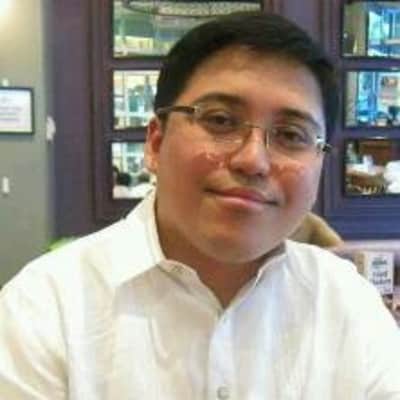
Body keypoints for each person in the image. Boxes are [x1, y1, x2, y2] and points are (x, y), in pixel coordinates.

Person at [1, 12, 399, 399]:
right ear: (155, 143)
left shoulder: (348, 304)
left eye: (291, 135)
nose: (253, 161)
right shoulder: (47, 308)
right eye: (221, 121)